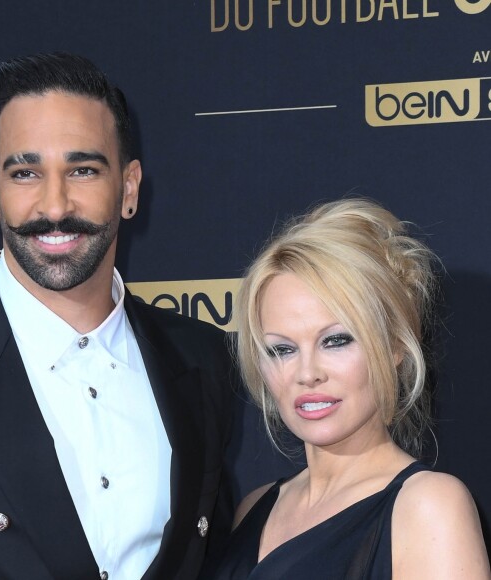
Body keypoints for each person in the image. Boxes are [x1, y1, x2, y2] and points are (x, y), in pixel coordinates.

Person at [0, 52, 234, 580]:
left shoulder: (202, 358)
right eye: (26, 172)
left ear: (129, 189)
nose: (55, 205)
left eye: (82, 169)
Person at [205, 199, 491, 579]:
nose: (307, 374)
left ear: (394, 348)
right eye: (282, 349)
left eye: (336, 341)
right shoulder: (253, 508)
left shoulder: (429, 506)